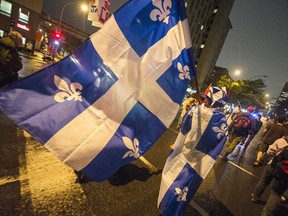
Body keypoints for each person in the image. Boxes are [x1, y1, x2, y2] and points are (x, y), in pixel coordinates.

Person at [252, 143, 288, 215]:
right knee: (276, 193)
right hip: (285, 175)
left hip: (273, 166)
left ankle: (255, 196)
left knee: (264, 181)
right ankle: (266, 213)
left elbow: (270, 151)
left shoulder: (283, 141)